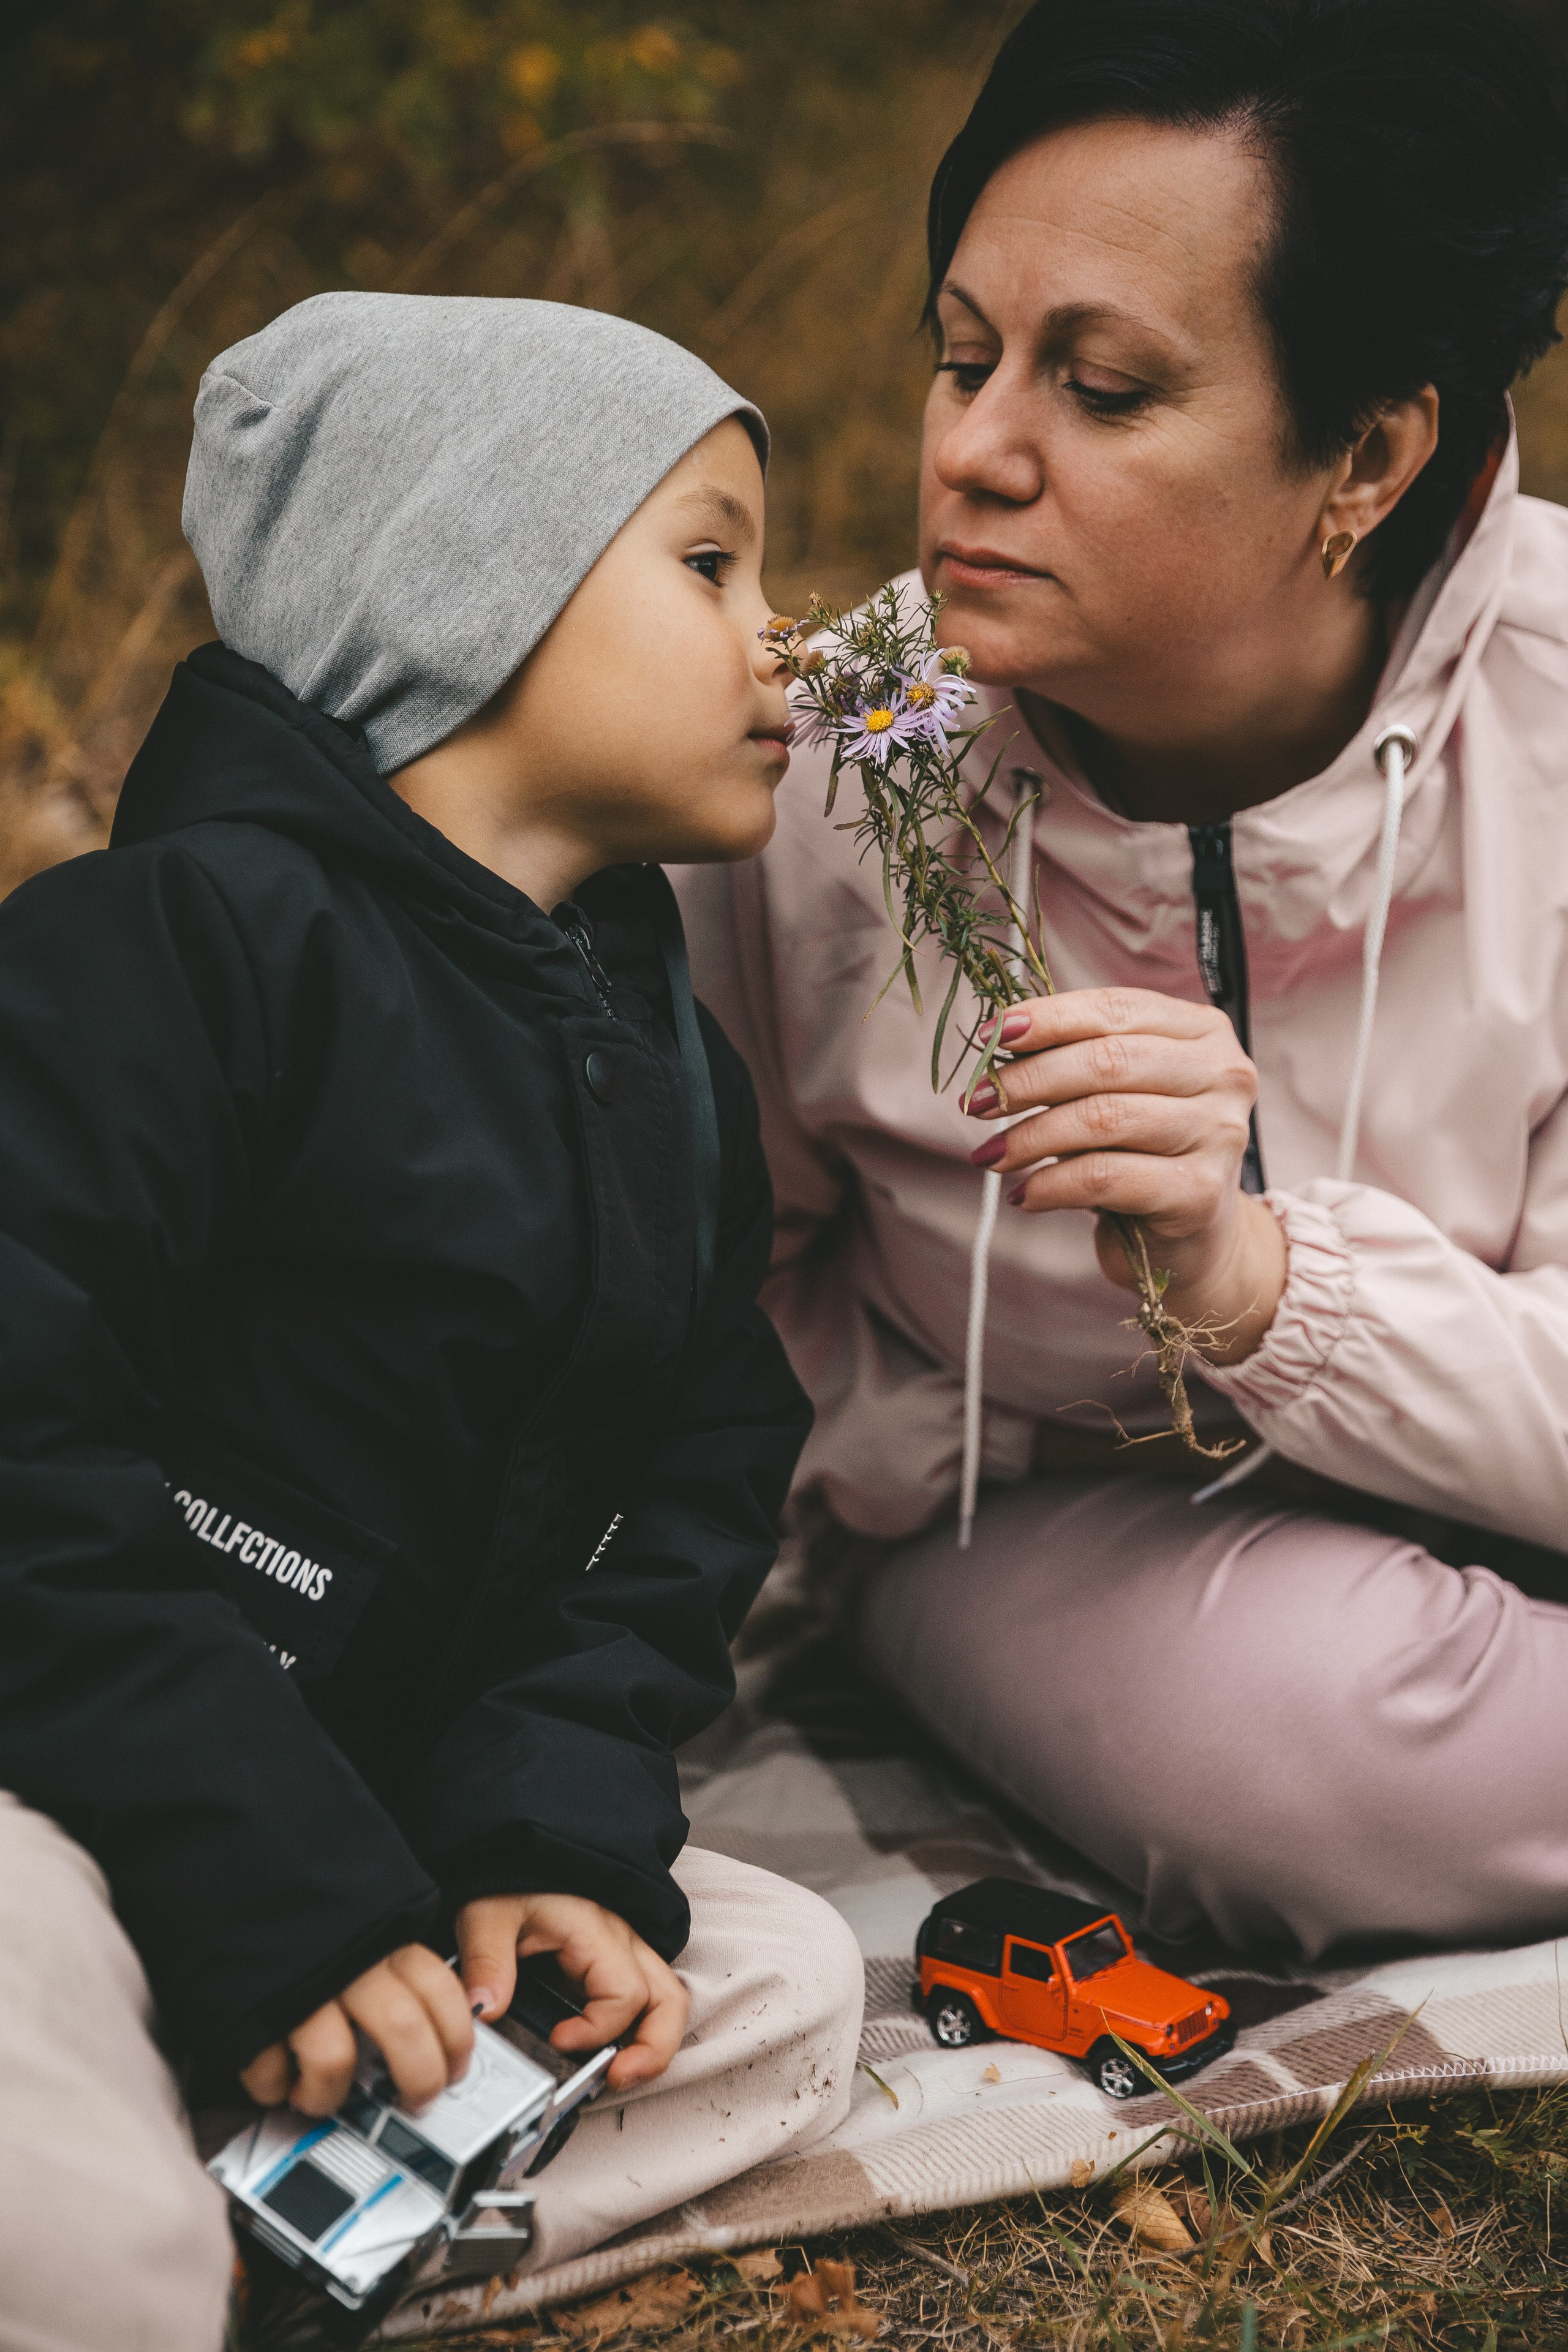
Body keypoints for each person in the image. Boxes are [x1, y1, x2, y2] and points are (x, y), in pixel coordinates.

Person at [0, 293, 863, 2352]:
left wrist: (535, 1834)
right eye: (711, 560)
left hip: (374, 1819)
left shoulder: (660, 1057)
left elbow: (681, 1487)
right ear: (468, 585)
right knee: (44, 2086)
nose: (789, 639)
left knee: (777, 1983)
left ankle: (282, 2225)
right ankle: (159, 2237)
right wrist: (258, 1875)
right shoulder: (174, 954)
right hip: (75, 1774)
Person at [677, 0, 1568, 1973]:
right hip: (1076, 1533)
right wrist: (927, 1448)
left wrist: (1265, 1287)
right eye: (963, 357)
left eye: (1102, 388)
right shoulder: (830, 758)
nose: (973, 454)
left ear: (1368, 449)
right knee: (1330, 1765)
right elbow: (721, 1297)